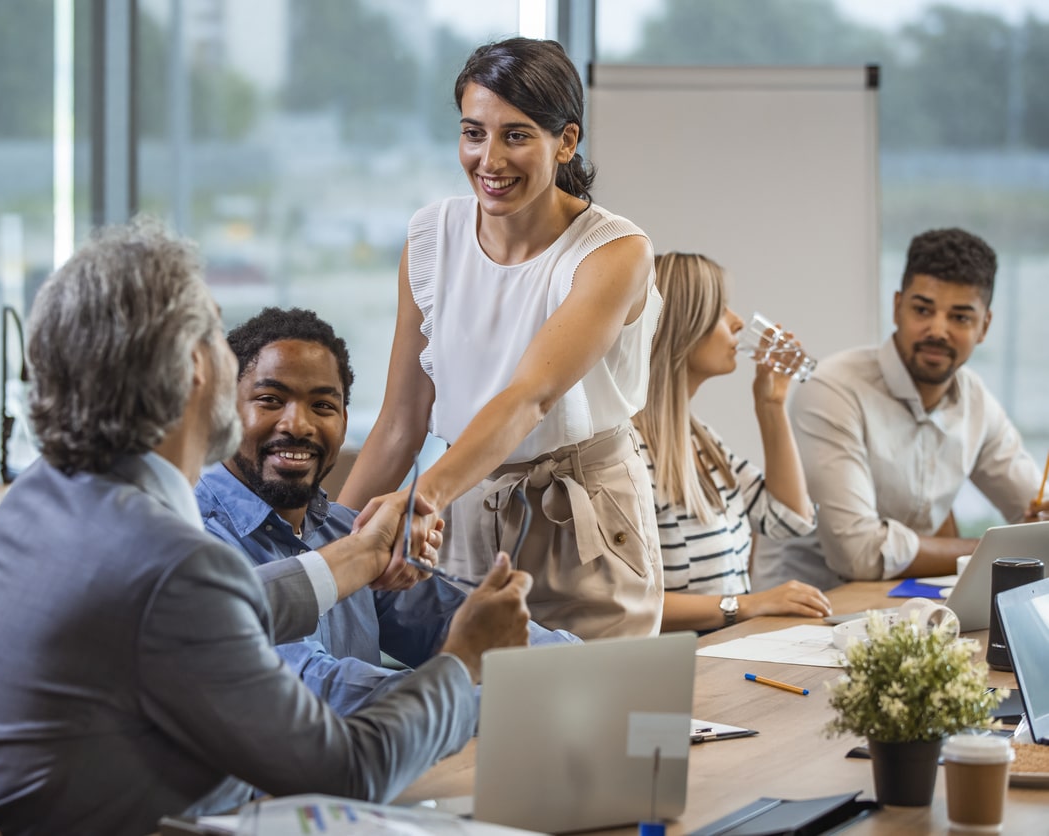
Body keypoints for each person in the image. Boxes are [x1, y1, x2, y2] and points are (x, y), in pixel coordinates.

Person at [0, 219, 533, 836]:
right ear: (194, 366)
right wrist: (463, 662)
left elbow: (206, 609)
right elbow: (348, 770)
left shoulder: (38, 498)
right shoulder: (171, 563)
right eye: (219, 336)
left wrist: (357, 557)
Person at [338, 37, 663, 640]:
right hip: (464, 507)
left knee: (590, 723)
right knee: (476, 719)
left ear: (565, 141)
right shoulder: (433, 235)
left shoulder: (614, 251)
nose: (489, 159)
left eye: (516, 135)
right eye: (473, 132)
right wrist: (328, 545)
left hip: (582, 520)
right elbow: (401, 423)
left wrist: (422, 498)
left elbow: (530, 396)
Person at [196, 307, 579, 715]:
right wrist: (488, 700)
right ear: (223, 412)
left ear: (344, 421)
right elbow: (315, 689)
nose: (298, 425)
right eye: (270, 400)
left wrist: (582, 669)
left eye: (322, 406)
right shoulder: (194, 540)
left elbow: (449, 621)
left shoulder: (346, 530)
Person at [754, 228, 1049, 591]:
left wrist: (1038, 526)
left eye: (960, 317)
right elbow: (858, 552)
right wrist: (989, 552)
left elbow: (1034, 514)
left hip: (900, 607)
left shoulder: (976, 401)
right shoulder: (833, 387)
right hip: (796, 619)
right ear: (897, 307)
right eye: (923, 310)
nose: (937, 330)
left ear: (984, 326)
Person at [630, 253, 831, 631]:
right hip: (680, 668)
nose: (738, 321)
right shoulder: (626, 452)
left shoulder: (702, 441)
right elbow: (626, 603)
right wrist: (747, 605)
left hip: (723, 655)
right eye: (720, 310)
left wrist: (771, 406)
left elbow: (791, 519)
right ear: (683, 327)